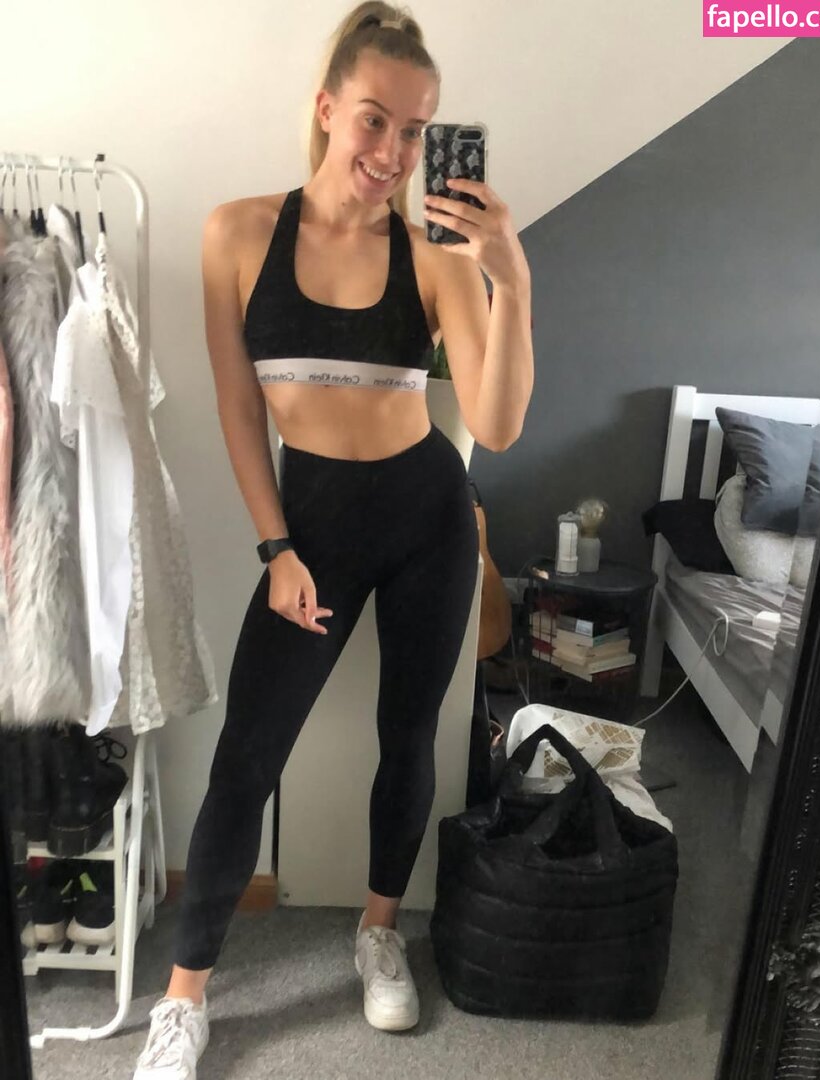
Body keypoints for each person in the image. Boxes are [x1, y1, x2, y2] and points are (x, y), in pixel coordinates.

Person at [133, 2, 532, 1076]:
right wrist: (276, 550)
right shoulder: (236, 233)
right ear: (325, 108)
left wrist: (509, 274)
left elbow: (495, 425)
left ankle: (377, 931)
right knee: (247, 755)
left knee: (410, 738)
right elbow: (236, 407)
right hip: (308, 528)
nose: (393, 151)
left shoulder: (436, 255)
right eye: (374, 120)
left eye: (416, 130)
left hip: (427, 521)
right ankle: (184, 996)